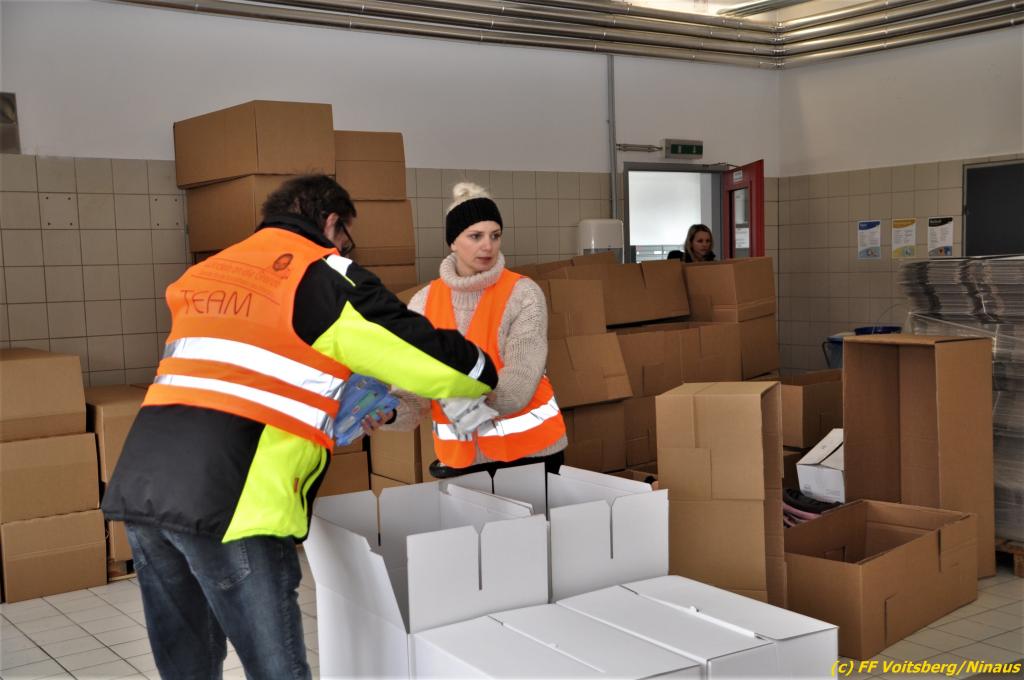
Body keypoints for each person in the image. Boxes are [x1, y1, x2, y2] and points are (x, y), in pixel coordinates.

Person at [101, 175, 499, 680]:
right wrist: (482, 371)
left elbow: (243, 369)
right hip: (234, 497)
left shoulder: (210, 270)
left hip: (144, 486)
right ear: (331, 222)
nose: (345, 250)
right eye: (345, 239)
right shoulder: (319, 274)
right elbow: (413, 349)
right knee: (276, 669)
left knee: (188, 667)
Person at [380, 182, 567, 478]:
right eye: (476, 236)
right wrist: (389, 412)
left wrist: (474, 401)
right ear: (453, 242)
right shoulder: (424, 302)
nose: (488, 246)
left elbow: (522, 374)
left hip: (530, 453)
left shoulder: (522, 293)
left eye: (495, 235)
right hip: (461, 461)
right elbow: (414, 389)